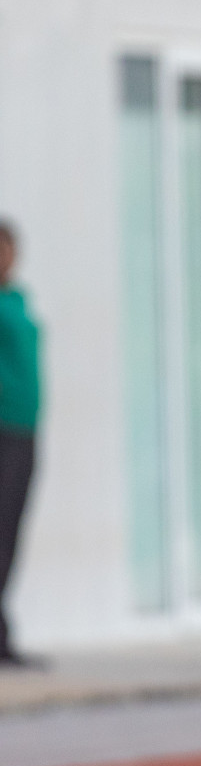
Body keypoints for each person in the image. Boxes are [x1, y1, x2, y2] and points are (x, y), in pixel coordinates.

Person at [0, 221, 43, 670]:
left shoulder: (18, 301)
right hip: (2, 430)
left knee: (9, 535)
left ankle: (2, 635)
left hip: (24, 431)